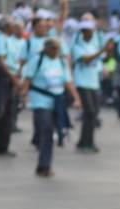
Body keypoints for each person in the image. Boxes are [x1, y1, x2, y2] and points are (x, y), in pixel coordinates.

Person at [20, 36, 78, 177]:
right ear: (47, 49)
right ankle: (44, 165)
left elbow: (68, 82)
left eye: (57, 49)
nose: (55, 51)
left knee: (51, 133)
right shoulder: (37, 60)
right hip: (40, 100)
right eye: (53, 49)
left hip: (57, 101)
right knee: (46, 130)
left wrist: (76, 98)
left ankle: (44, 165)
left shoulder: (61, 62)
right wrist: (24, 95)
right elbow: (28, 79)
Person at [70, 13, 109, 153]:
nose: (91, 34)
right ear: (83, 32)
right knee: (90, 112)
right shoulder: (77, 46)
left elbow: (100, 59)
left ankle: (84, 142)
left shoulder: (94, 44)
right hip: (82, 83)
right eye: (88, 32)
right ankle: (87, 143)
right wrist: (102, 51)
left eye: (92, 31)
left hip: (94, 82)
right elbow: (86, 59)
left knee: (93, 113)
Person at [0, 17, 18, 157]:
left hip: (10, 76)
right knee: (1, 113)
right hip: (2, 76)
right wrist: (12, 77)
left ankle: (4, 146)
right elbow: (0, 61)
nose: (15, 27)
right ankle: (1, 147)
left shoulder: (9, 39)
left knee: (8, 113)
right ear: (6, 26)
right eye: (13, 25)